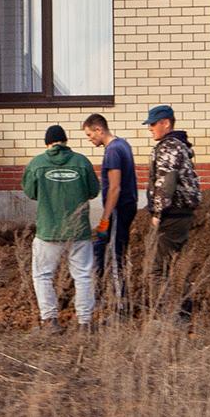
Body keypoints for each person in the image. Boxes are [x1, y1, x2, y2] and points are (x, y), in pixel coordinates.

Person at [21, 123, 101, 333]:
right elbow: (93, 191)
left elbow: (30, 192)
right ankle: (85, 323)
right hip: (79, 232)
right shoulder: (81, 162)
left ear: (47, 143)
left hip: (49, 231)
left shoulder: (37, 163)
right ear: (66, 142)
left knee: (43, 276)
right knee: (83, 276)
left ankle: (50, 322)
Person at [143, 104, 201, 317]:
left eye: (153, 124)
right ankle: (183, 313)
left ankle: (167, 316)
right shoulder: (179, 145)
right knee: (177, 264)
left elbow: (166, 183)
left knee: (158, 270)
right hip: (182, 213)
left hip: (172, 214)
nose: (150, 128)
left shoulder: (168, 147)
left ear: (166, 123)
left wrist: (158, 214)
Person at [81, 113, 137, 309]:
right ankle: (100, 296)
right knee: (105, 249)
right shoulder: (124, 144)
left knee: (114, 257)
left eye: (90, 135)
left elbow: (115, 187)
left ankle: (121, 308)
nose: (90, 139)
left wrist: (105, 219)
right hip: (127, 206)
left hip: (118, 209)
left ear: (99, 129)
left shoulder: (112, 151)